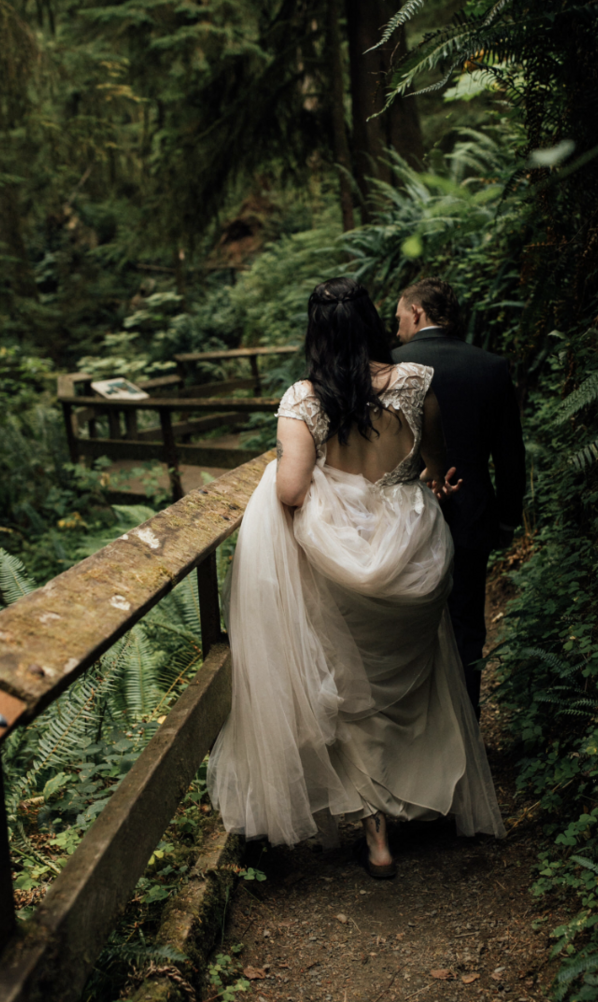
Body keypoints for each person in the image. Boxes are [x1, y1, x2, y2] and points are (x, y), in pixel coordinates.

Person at [207, 277, 504, 877]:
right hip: (413, 552)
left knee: (353, 690)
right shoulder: (418, 385)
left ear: (315, 334)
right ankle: (423, 798)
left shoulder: (304, 401)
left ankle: (376, 838)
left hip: (341, 558)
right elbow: (433, 466)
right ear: (373, 321)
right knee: (415, 680)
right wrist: (427, 485)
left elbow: (290, 490)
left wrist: (309, 476)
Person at [392, 278, 526, 717]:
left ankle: (417, 730)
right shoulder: (490, 367)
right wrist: (507, 519)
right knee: (467, 623)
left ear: (417, 312)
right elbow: (509, 454)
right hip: (471, 512)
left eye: (399, 320)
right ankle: (466, 721)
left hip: (401, 518)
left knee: (407, 627)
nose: (396, 332)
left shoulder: (390, 367)